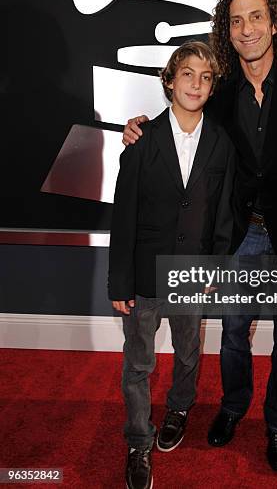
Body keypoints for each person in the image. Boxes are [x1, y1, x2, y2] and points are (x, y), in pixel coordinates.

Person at [122, 0, 277, 473]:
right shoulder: (219, 94)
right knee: (234, 332)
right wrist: (138, 127)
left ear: (275, 23)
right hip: (240, 235)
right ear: (227, 30)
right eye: (236, 20)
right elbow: (181, 118)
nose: (246, 29)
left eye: (256, 17)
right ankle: (231, 407)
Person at [109, 41, 235, 489]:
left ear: (212, 86)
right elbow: (123, 216)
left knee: (187, 349)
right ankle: (138, 440)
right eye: (187, 74)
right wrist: (119, 281)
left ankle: (180, 407)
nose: (196, 83)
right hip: (144, 273)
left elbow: (223, 215)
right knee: (138, 363)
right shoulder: (141, 142)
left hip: (192, 274)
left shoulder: (221, 144)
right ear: (169, 80)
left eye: (205, 77)